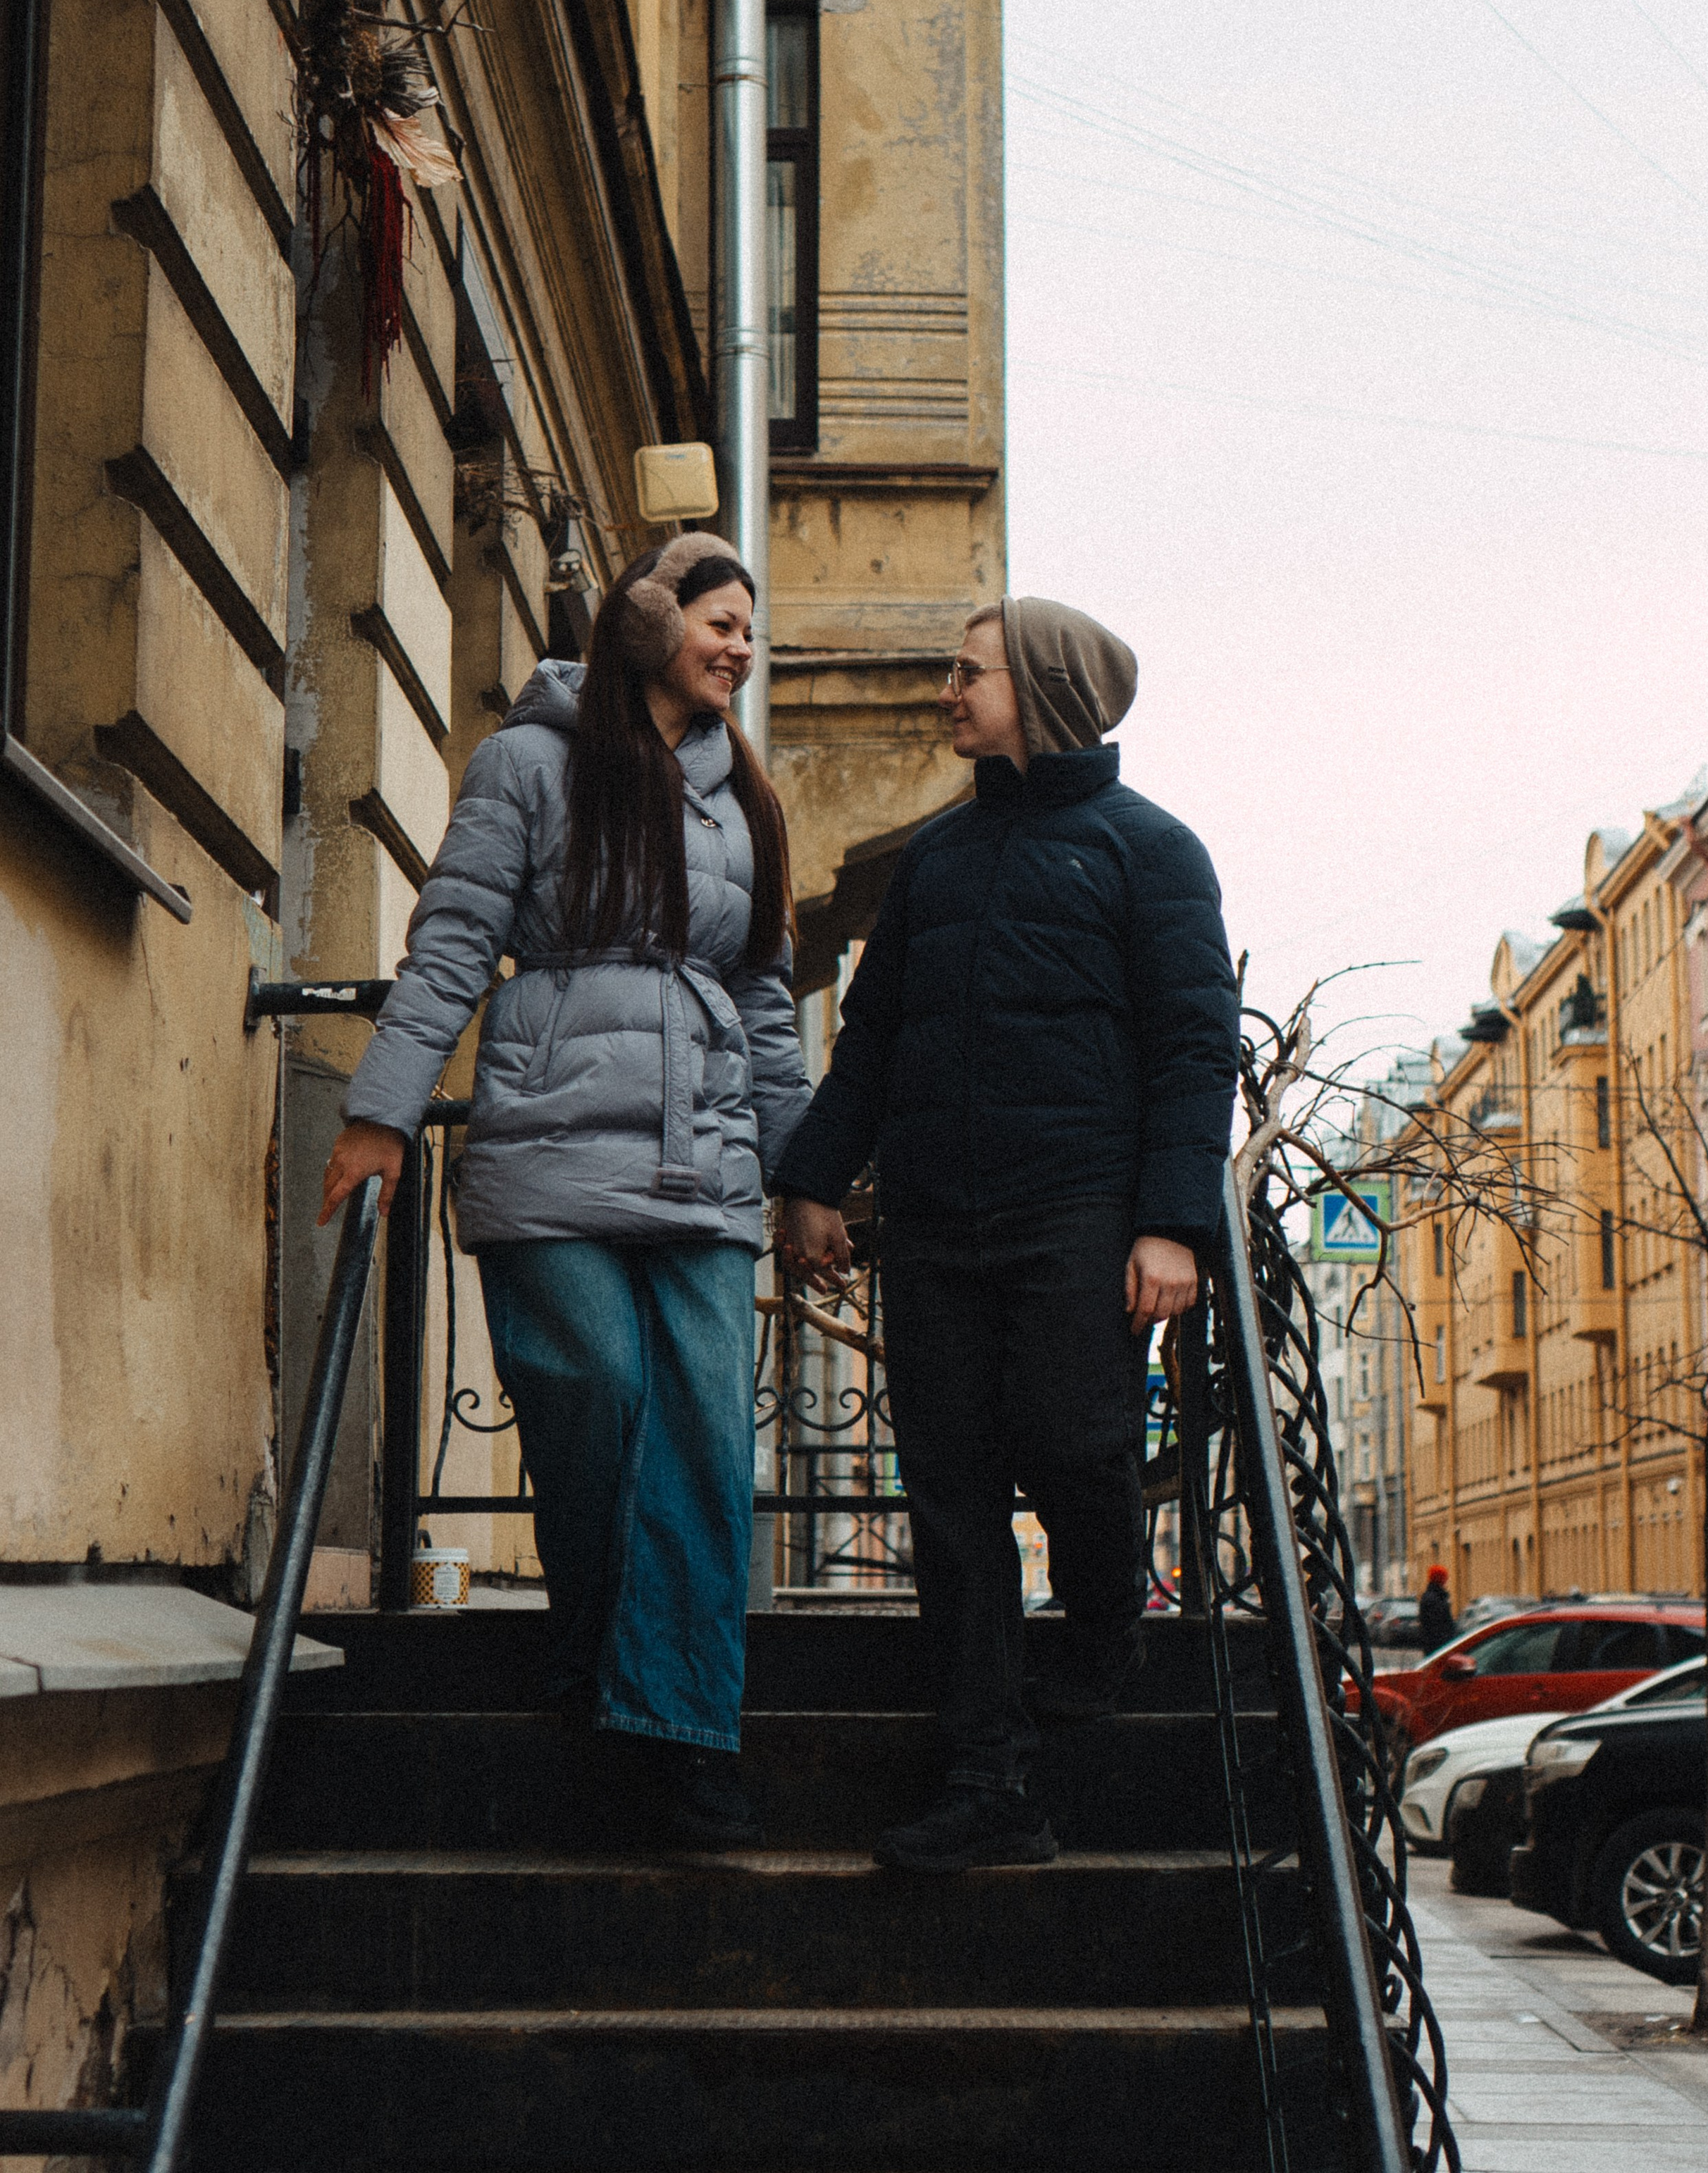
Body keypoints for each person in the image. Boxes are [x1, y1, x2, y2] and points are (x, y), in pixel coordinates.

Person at [318, 535, 836, 1845]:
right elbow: (450, 945)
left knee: (709, 1442)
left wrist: (808, 1180)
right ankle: (610, 1680)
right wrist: (382, 1112)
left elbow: (768, 1010)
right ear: (651, 623)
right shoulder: (528, 764)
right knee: (593, 1404)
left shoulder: (747, 801)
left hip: (706, 1161)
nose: (739, 647)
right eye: (721, 622)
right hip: (550, 1148)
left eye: (748, 632)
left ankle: (675, 1738)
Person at [776, 597, 1240, 1872]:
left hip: (1078, 1220)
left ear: (1040, 691)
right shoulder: (936, 857)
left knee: (1079, 1446)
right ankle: (991, 1788)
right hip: (933, 1226)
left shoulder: (1154, 852)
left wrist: (1172, 1226)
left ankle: (1105, 1620)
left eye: (968, 672)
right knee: (953, 1500)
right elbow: (871, 1037)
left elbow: (1200, 1050)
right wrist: (815, 1178)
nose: (946, 690)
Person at [1418, 1565, 1457, 1652]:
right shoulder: (1435, 1598)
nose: (1446, 1580)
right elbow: (1438, 1623)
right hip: (1438, 1645)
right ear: (1440, 1579)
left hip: (1434, 1644)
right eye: (1444, 1577)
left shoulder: (1432, 1596)